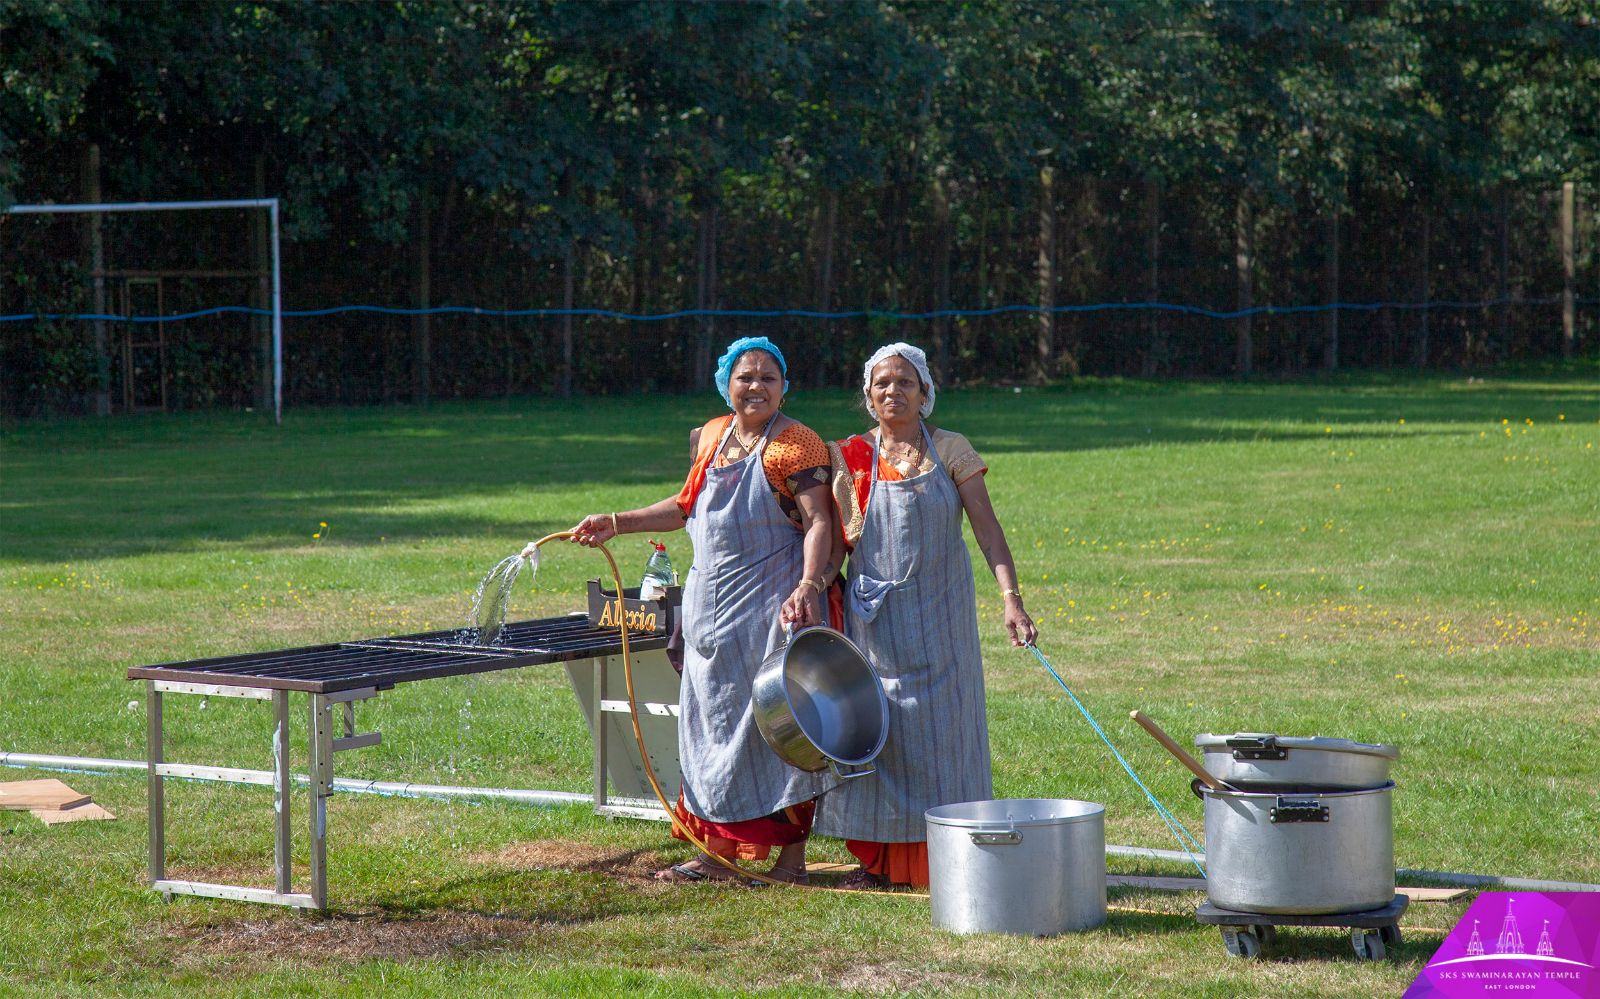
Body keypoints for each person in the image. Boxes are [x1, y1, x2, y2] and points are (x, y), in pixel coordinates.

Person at [569, 336, 839, 885]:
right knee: (709, 726)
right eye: (746, 377)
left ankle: (791, 861)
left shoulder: (796, 444)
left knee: (779, 728)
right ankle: (716, 853)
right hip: (709, 612)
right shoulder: (713, 437)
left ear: (784, 385)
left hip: (772, 608)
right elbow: (684, 507)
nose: (757, 386)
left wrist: (809, 583)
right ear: (727, 383)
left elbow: (818, 522)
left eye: (769, 377)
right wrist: (617, 522)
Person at [817, 341, 1038, 890]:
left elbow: (988, 531)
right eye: (882, 384)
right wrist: (810, 585)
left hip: (943, 618)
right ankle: (880, 864)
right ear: (868, 397)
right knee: (878, 734)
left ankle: (947, 859)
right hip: (876, 624)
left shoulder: (952, 448)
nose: (893, 392)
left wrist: (1011, 598)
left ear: (924, 393)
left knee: (945, 738)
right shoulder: (851, 456)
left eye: (905, 382)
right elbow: (840, 547)